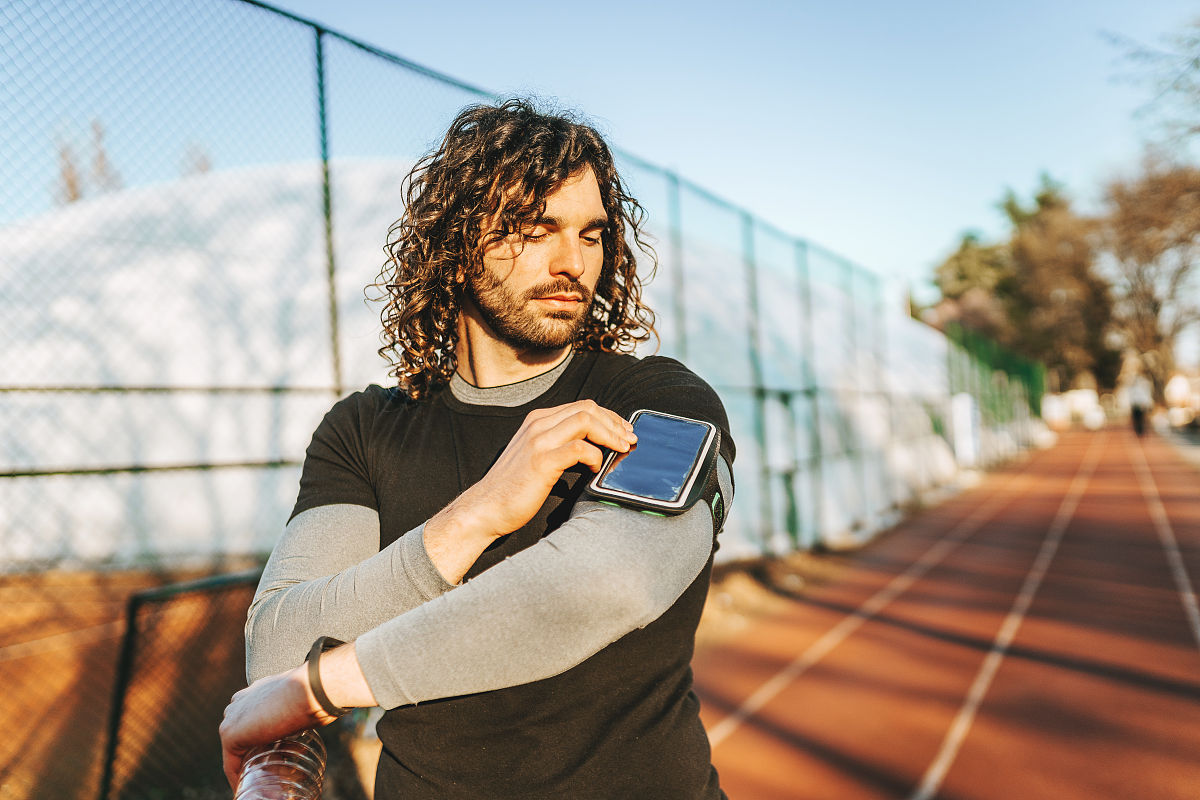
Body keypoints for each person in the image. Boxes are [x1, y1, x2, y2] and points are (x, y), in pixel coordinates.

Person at [219, 98, 735, 799]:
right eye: (534, 230)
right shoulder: (363, 429)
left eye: (590, 234)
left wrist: (322, 686)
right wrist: (477, 514)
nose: (572, 262)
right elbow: (279, 644)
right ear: (456, 243)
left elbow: (613, 580)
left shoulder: (657, 399)